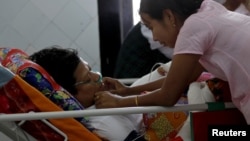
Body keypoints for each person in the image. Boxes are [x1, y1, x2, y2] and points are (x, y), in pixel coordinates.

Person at [94, 0, 250, 124]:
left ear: (169, 16)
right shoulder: (208, 10)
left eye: (150, 26)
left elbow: (168, 96)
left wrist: (119, 102)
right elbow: (179, 80)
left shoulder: (192, 28)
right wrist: (128, 91)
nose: (153, 37)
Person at [29, 46, 144, 141]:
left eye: (91, 70)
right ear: (68, 95)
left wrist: (126, 94)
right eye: (87, 80)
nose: (96, 77)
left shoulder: (105, 103)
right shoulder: (101, 120)